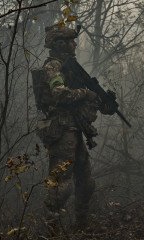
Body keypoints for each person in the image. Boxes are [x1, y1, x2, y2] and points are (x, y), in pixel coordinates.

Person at [32, 24, 112, 228]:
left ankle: (81, 226)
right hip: (62, 130)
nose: (74, 44)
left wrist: (101, 101)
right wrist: (86, 94)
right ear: (61, 44)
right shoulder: (53, 66)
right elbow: (60, 94)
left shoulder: (70, 66)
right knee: (61, 185)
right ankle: (52, 231)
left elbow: (80, 94)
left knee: (86, 183)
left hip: (74, 128)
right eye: (70, 41)